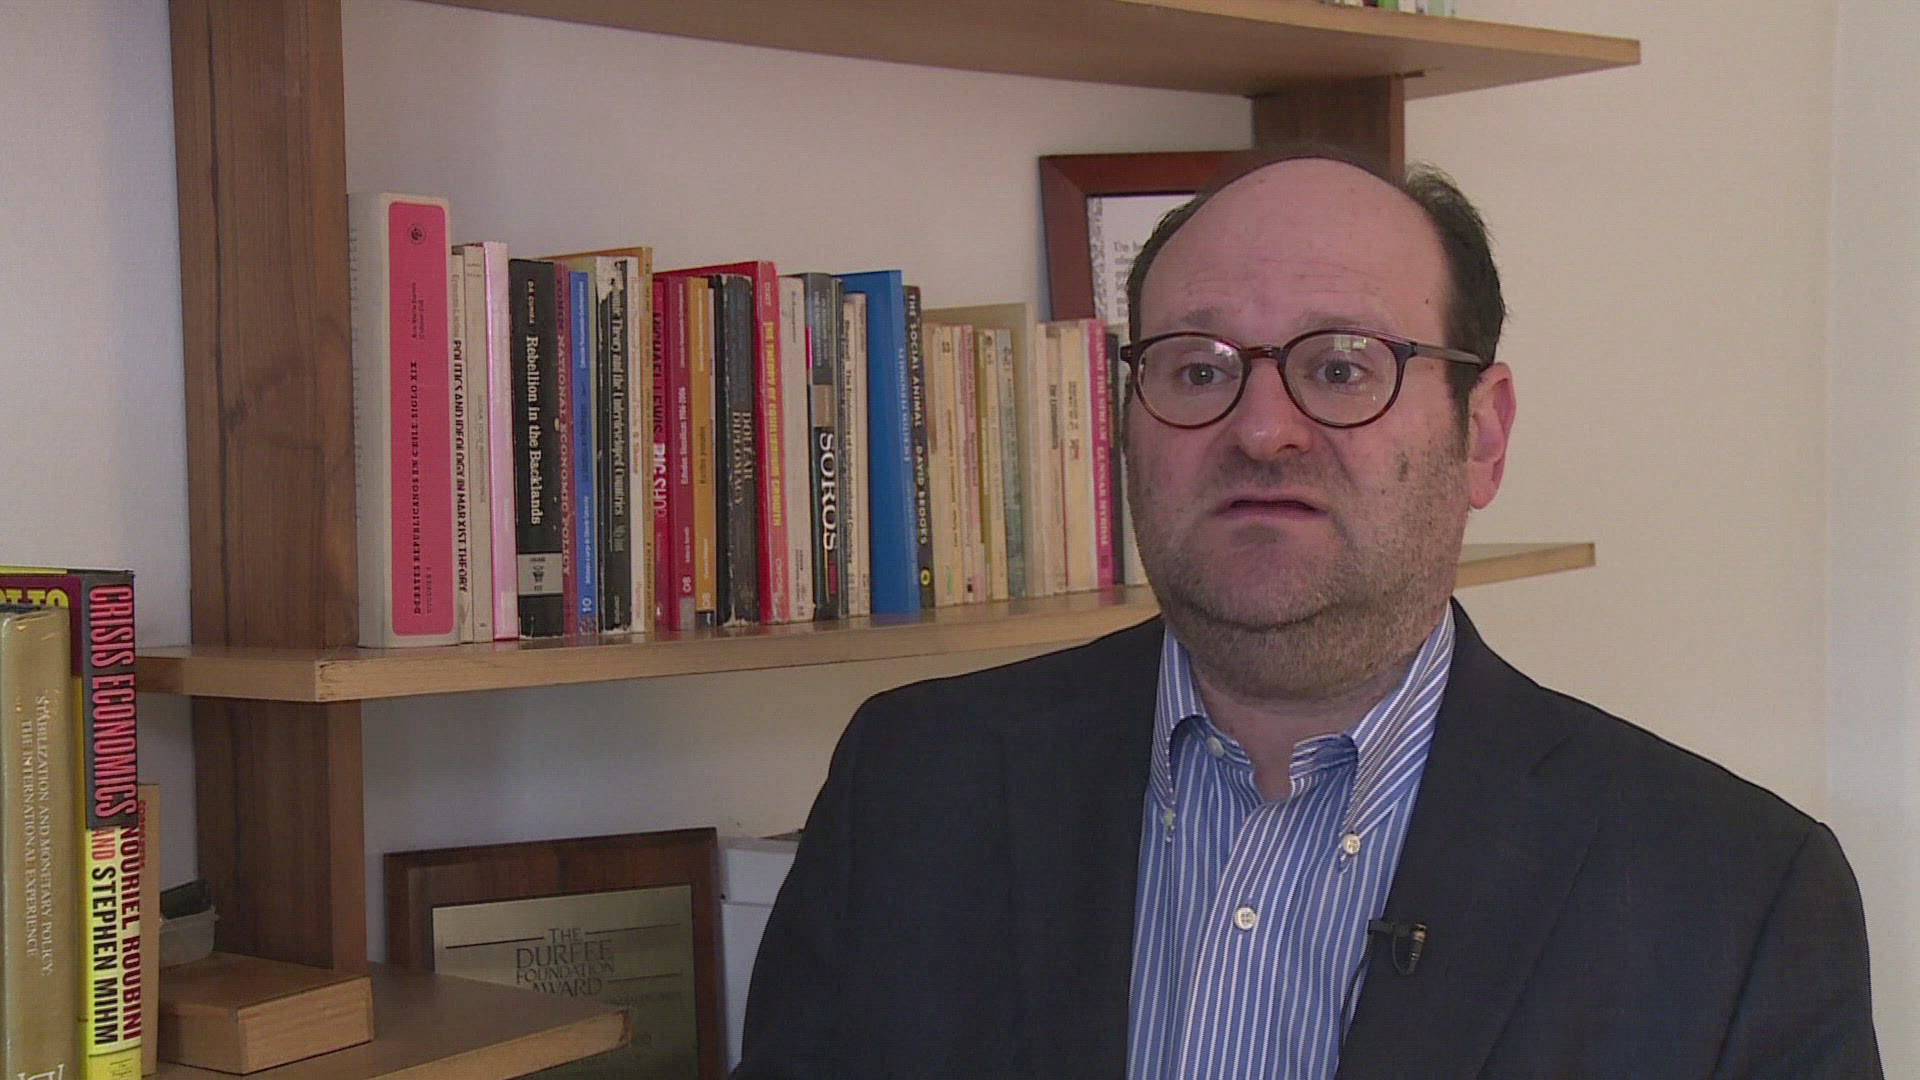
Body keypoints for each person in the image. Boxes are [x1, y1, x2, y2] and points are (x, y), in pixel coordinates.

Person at [734, 147, 1882, 1079]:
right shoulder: (912, 784)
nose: (1261, 428)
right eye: (1198, 368)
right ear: (1124, 428)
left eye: (1342, 367)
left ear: (1481, 436)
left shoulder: (1735, 895)